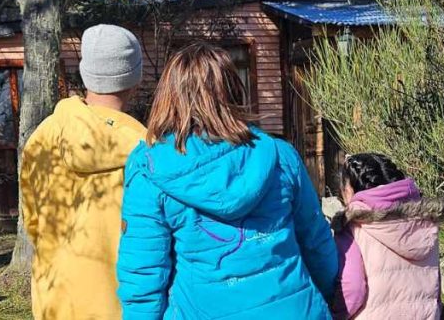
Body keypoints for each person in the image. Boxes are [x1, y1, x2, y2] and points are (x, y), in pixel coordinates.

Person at [117, 41, 337, 319]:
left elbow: (143, 275)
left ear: (169, 96)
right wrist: (330, 295)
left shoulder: (151, 169)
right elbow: (316, 243)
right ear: (234, 90)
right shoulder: (280, 155)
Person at [20, 24, 147, 320]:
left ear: (87, 73)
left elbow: (33, 221)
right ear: (134, 79)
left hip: (57, 297)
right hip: (122, 302)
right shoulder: (146, 148)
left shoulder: (42, 137)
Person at [331, 153, 444, 320]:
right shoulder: (426, 223)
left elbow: (353, 290)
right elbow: (435, 287)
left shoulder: (353, 225)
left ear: (349, 189)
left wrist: (332, 315)